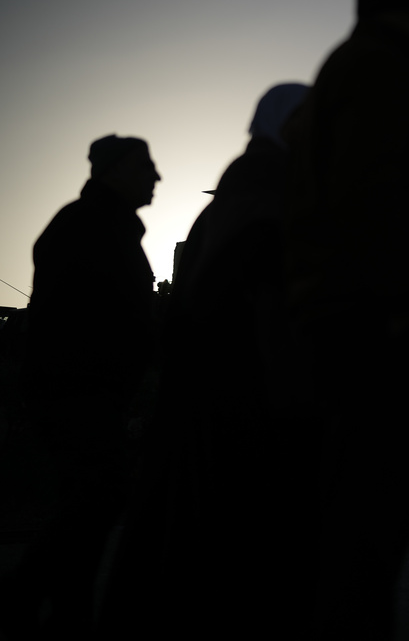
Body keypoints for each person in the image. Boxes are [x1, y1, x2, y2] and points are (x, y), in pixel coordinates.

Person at [283, 0, 409, 638]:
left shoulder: (367, 66)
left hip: (357, 325)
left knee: (351, 515)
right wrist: (404, 312)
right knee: (366, 519)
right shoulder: (380, 69)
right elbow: (374, 201)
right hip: (371, 334)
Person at [96, 84, 313, 639]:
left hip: (226, 401)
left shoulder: (260, 194)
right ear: (282, 126)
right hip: (243, 404)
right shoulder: (262, 197)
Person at [1, 135, 159, 638]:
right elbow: (104, 315)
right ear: (114, 171)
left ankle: (68, 619)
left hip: (84, 390)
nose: (156, 177)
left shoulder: (96, 225)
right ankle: (20, 599)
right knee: (97, 497)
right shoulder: (91, 227)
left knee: (87, 503)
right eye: (145, 167)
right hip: (78, 391)